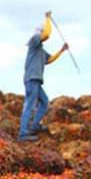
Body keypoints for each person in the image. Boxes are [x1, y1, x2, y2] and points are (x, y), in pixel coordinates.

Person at [18, 11, 69, 142]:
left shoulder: (40, 50)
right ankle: (23, 133)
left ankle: (34, 126)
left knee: (44, 102)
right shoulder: (33, 41)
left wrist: (61, 51)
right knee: (30, 104)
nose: (45, 37)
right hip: (31, 79)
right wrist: (47, 19)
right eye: (42, 33)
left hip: (37, 80)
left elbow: (50, 59)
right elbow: (46, 33)